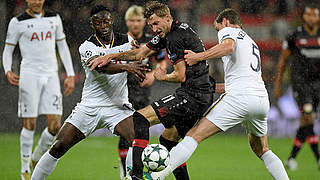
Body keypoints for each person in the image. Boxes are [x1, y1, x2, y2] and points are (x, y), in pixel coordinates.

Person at [150, 8, 290, 180]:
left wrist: (199, 56)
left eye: (217, 29)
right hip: (261, 99)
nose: (219, 32)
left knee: (193, 135)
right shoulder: (251, 42)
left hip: (240, 98)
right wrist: (207, 87)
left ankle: (156, 177)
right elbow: (240, 79)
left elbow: (228, 47)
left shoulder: (229, 30)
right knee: (262, 149)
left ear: (224, 22)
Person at [89, 1, 216, 179]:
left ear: (167, 17)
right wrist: (111, 55)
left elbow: (180, 76)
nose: (154, 28)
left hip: (193, 96)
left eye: (156, 23)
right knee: (168, 140)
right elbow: (140, 53)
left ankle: (137, 176)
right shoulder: (169, 33)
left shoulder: (176, 37)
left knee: (140, 118)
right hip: (199, 95)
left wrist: (164, 77)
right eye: (151, 25)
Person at [30, 5, 150, 180]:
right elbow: (102, 67)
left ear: (112, 21)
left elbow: (138, 53)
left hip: (117, 107)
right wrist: (127, 65)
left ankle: (132, 177)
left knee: (138, 139)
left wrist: (135, 57)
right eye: (98, 22)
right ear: (92, 24)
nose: (103, 25)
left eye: (106, 21)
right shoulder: (86, 47)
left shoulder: (126, 39)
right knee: (58, 146)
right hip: (89, 107)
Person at [2, 0, 75, 179]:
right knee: (30, 124)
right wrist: (8, 69)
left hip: (51, 74)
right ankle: (25, 169)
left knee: (55, 125)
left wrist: (70, 74)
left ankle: (36, 157)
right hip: (29, 75)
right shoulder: (17, 22)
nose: (36, 1)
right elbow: (8, 50)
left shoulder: (54, 18)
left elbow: (62, 46)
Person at [117, 5, 165, 179]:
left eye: (138, 20)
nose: (135, 24)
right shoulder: (120, 40)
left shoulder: (151, 41)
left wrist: (153, 74)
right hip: (122, 91)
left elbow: (162, 63)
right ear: (126, 21)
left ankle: (135, 170)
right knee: (126, 133)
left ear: (144, 22)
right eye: (132, 20)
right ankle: (126, 171)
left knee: (139, 132)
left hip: (143, 92)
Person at [274, 4, 320, 170]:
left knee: (307, 121)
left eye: (315, 15)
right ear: (304, 17)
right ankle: (318, 158)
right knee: (308, 116)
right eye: (309, 15)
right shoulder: (295, 36)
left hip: (317, 85)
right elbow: (283, 62)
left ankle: (291, 158)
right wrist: (277, 84)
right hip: (301, 84)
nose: (312, 18)